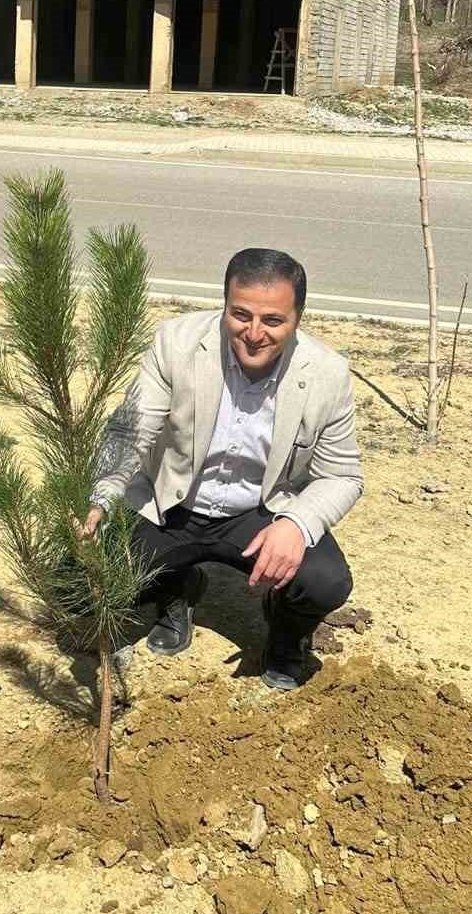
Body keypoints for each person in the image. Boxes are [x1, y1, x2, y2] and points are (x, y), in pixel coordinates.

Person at [80, 247, 361, 691]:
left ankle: (286, 635)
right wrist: (102, 494)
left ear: (298, 318)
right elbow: (130, 429)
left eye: (273, 320)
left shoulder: (327, 373)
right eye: (240, 314)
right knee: (77, 579)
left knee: (323, 582)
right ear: (225, 305)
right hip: (173, 503)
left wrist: (297, 523)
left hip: (261, 513)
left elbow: (342, 475)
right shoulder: (177, 343)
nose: (253, 333)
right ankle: (177, 587)